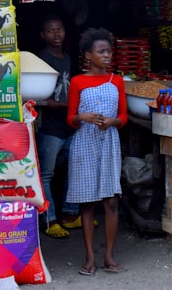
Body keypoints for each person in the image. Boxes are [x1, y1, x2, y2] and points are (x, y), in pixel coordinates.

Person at [66, 27, 128, 276]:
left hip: (109, 142)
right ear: (88, 55)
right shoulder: (77, 82)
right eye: (101, 52)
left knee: (111, 201)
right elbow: (69, 119)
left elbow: (124, 116)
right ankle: (90, 257)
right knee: (87, 203)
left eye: (108, 51)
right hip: (84, 143)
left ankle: (109, 257)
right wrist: (82, 116)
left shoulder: (117, 80)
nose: (107, 55)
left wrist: (112, 122)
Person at [35, 14, 76, 239]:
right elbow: (40, 98)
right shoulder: (41, 60)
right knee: (46, 175)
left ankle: (70, 213)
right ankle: (49, 220)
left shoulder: (67, 58)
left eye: (59, 29)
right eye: (51, 30)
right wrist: (64, 105)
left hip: (69, 125)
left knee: (75, 169)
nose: (57, 34)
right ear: (43, 35)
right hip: (50, 127)